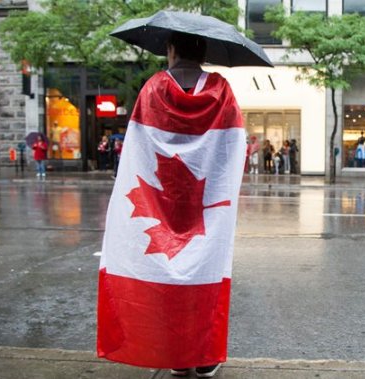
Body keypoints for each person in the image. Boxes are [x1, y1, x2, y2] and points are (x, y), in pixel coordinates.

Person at [97, 32, 245, 378]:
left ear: (172, 49)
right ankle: (204, 355)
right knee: (204, 273)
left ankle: (177, 355)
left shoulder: (153, 88)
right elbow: (233, 146)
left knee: (165, 274)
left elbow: (139, 148)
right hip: (207, 202)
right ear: (203, 51)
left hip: (158, 201)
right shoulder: (221, 90)